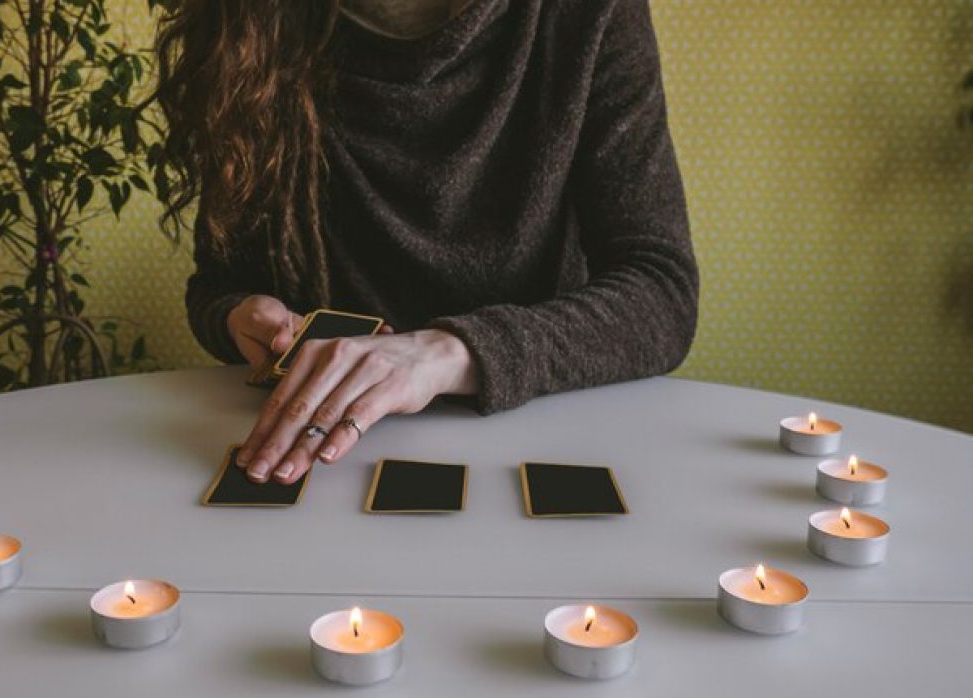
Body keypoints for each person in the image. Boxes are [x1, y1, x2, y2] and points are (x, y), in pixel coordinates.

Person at [155, 0, 698, 486]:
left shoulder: (588, 14)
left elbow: (661, 292)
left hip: (536, 440)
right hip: (322, 458)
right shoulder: (245, 22)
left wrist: (447, 353)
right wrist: (238, 318)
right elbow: (218, 284)